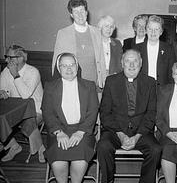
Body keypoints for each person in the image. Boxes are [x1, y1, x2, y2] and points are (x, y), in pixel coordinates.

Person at [97, 49, 162, 183]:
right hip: (115, 131)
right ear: (122, 63)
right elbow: (105, 113)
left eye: (135, 61)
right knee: (103, 146)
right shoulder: (111, 81)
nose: (131, 65)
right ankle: (108, 181)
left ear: (141, 63)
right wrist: (120, 134)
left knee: (155, 149)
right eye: (128, 61)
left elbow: (151, 113)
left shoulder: (150, 82)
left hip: (141, 132)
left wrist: (137, 136)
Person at [42, 53, 99, 183]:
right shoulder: (50, 87)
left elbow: (93, 111)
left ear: (77, 66)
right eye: (64, 65)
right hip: (59, 130)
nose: (69, 69)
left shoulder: (89, 86)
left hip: (83, 131)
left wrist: (80, 132)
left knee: (80, 158)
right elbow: (47, 112)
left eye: (72, 65)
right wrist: (58, 132)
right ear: (58, 68)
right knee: (57, 159)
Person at [0, 44, 45, 162]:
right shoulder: (5, 71)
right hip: (15, 110)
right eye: (6, 57)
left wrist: (15, 74)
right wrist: (2, 93)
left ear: (20, 58)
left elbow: (25, 95)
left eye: (9, 57)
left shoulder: (33, 71)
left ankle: (39, 148)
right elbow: (3, 90)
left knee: (27, 120)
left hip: (36, 109)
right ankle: (14, 146)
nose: (6, 60)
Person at [51, 0, 106, 89]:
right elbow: (56, 62)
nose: (80, 15)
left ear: (86, 12)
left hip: (93, 84)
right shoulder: (63, 33)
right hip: (71, 83)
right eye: (76, 12)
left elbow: (101, 60)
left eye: (82, 11)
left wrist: (102, 81)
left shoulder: (96, 32)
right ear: (71, 15)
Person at [136, 15, 176, 86]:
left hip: (162, 90)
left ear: (161, 32)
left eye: (156, 29)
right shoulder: (137, 49)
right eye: (150, 29)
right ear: (146, 30)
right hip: (142, 89)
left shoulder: (169, 49)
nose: (153, 32)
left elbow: (172, 74)